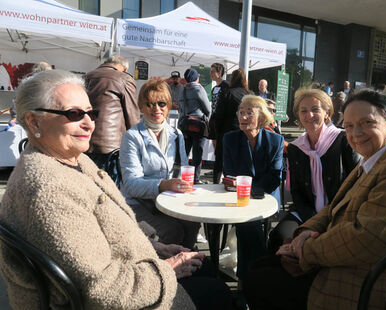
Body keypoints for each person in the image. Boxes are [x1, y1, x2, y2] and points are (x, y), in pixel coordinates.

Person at [0, 69, 234, 309]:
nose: (89, 124)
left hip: (132, 266)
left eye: (92, 113)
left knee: (205, 264)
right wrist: (167, 268)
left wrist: (157, 247)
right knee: (218, 292)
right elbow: (102, 289)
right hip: (123, 295)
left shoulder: (73, 160)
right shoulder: (49, 191)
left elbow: (107, 230)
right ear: (34, 121)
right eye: (74, 114)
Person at [242, 89, 386, 310]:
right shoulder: (371, 161)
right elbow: (333, 208)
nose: (356, 133)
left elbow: (367, 238)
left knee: (258, 282)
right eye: (348, 126)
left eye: (367, 122)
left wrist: (304, 249)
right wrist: (302, 233)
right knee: (260, 265)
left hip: (369, 283)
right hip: (349, 262)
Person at [267, 88, 359, 254]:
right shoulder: (296, 148)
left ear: (327, 112)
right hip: (305, 212)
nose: (309, 115)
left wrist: (327, 220)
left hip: (340, 215)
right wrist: (312, 220)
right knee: (278, 237)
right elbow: (297, 192)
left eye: (315, 109)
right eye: (304, 111)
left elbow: (356, 186)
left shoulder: (343, 140)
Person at [119, 78, 201, 249]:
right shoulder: (132, 137)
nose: (156, 108)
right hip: (138, 203)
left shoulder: (176, 134)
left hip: (167, 200)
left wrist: (184, 185)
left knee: (193, 222)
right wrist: (164, 185)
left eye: (161, 103)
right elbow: (132, 185)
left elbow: (182, 169)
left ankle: (187, 264)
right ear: (141, 107)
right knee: (173, 230)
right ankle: (169, 267)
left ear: (168, 106)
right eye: (149, 104)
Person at [223, 95, 284, 279]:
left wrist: (252, 190)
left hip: (265, 196)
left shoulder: (275, 141)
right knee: (246, 223)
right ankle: (258, 274)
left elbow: (275, 176)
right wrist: (243, 189)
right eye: (241, 113)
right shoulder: (230, 139)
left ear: (262, 117)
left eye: (249, 113)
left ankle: (247, 278)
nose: (243, 117)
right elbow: (229, 172)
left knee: (247, 223)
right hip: (238, 196)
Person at [84, 55, 139, 169]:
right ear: (124, 69)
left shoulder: (86, 76)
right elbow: (132, 114)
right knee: (109, 184)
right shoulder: (124, 78)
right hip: (111, 146)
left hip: (85, 139)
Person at [214, 68, 250, 184]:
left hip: (226, 131)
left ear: (232, 79)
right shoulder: (250, 94)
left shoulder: (226, 92)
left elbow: (218, 114)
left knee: (220, 161)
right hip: (245, 132)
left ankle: (216, 184)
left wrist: (217, 133)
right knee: (242, 160)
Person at [178, 68, 211, 184]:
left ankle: (182, 177)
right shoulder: (199, 89)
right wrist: (206, 118)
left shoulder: (182, 90)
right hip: (197, 125)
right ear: (196, 77)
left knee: (185, 152)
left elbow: (180, 109)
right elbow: (208, 109)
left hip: (184, 125)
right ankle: (195, 179)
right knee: (197, 153)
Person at [8, 61, 53, 128]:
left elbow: (18, 100)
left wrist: (14, 117)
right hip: (48, 118)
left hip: (32, 117)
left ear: (35, 69)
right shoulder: (54, 82)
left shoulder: (27, 81)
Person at [209, 63, 229, 146]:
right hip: (214, 118)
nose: (211, 74)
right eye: (210, 71)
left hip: (223, 120)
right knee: (214, 143)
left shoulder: (226, 86)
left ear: (219, 73)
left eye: (213, 72)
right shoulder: (214, 88)